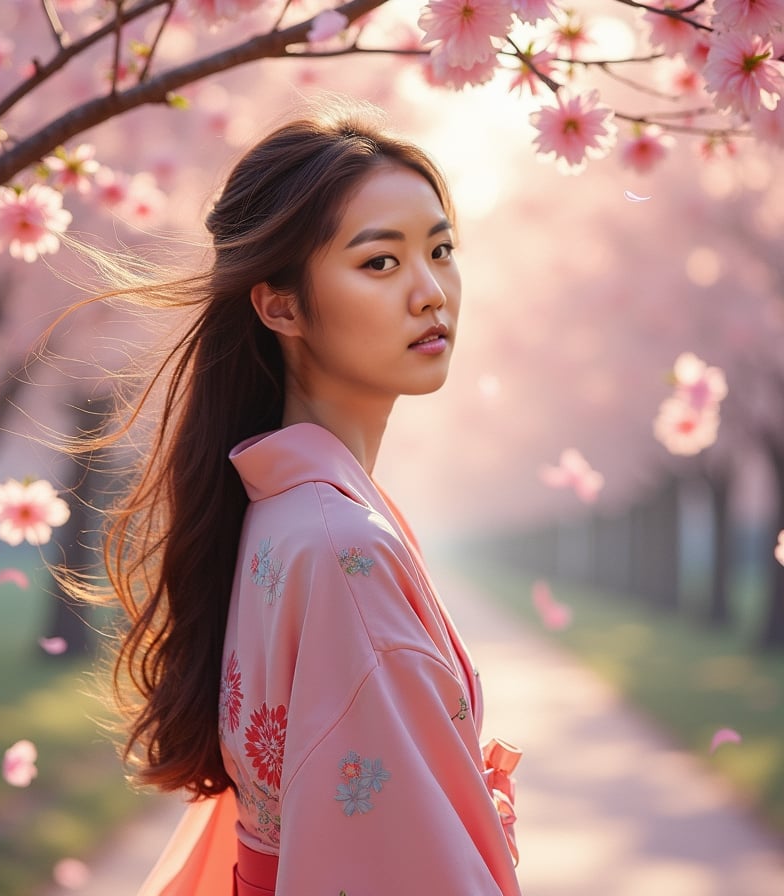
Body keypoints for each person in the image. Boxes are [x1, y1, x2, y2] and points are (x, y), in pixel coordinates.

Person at [79, 99, 522, 896]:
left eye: (442, 249)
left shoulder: (290, 514)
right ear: (280, 304)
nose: (431, 293)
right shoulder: (335, 544)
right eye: (380, 263)